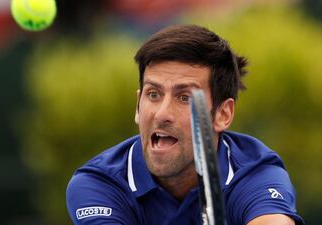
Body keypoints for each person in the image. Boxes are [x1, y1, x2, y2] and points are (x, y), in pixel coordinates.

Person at [66, 24, 304, 225]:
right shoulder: (99, 184)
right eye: (153, 94)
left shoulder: (254, 172)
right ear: (138, 105)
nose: (162, 114)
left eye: (185, 98)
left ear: (223, 114)